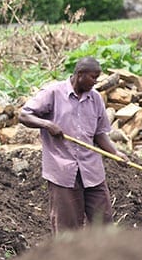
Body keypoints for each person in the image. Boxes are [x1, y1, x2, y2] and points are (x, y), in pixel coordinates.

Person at [18, 56, 128, 234]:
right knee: (68, 227)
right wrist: (48, 125)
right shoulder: (53, 93)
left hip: (92, 170)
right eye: (93, 77)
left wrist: (115, 153)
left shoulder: (96, 99)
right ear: (80, 74)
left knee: (104, 222)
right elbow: (24, 115)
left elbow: (100, 134)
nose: (96, 81)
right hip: (63, 171)